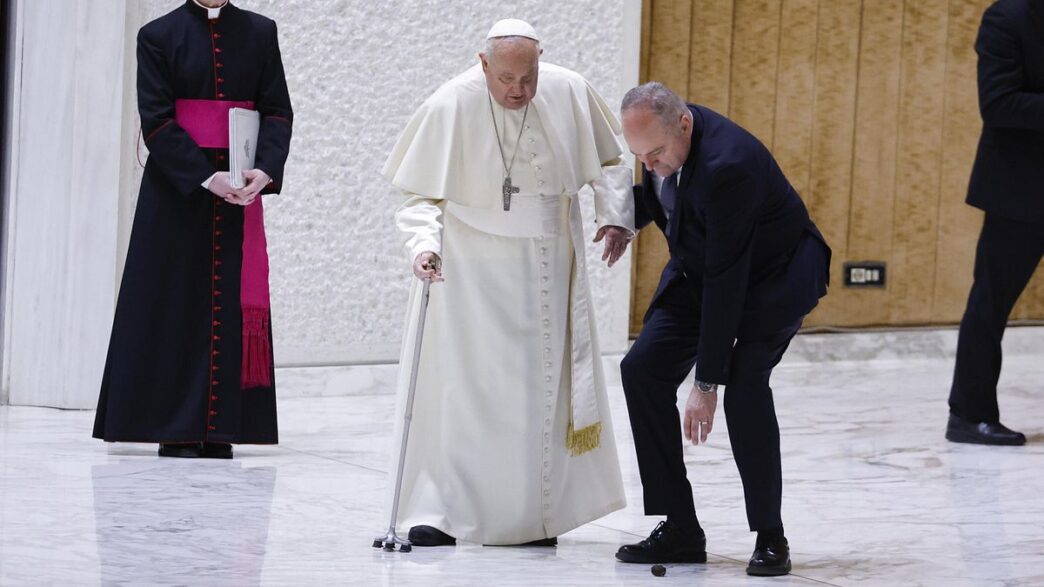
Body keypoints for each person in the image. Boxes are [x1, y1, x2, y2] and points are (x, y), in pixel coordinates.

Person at [382, 19, 633, 547]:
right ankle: (443, 511)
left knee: (537, 397)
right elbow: (419, 196)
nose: (517, 90)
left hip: (549, 263)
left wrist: (615, 215)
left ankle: (534, 518)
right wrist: (423, 245)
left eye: (528, 77)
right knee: (464, 390)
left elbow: (610, 159)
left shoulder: (568, 88)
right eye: (505, 79)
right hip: (469, 272)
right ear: (482, 65)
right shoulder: (450, 103)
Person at [614, 82, 830, 576]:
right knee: (641, 370)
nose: (650, 164)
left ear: (684, 124)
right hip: (703, 265)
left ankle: (771, 536)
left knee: (746, 385)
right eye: (640, 155)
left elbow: (727, 281)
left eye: (657, 153)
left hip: (773, 277)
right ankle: (681, 528)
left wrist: (706, 383)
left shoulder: (729, 167)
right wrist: (623, 222)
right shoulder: (664, 141)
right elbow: (663, 193)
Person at [93, 0, 292, 459]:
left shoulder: (261, 32)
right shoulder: (158, 35)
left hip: (241, 187)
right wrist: (207, 177)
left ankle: (221, 430)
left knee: (228, 304)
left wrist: (263, 170)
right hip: (177, 191)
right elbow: (157, 122)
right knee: (174, 301)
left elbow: (278, 111)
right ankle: (175, 427)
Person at [945, 0, 1043, 447]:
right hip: (1020, 191)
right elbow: (1000, 103)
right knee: (991, 305)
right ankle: (969, 416)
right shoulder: (1007, 17)